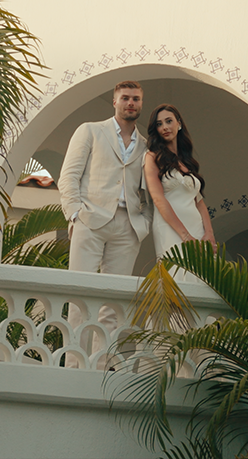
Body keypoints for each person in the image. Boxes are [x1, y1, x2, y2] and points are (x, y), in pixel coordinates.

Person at [57, 80, 150, 366]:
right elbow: (68, 177)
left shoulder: (146, 146)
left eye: (135, 99)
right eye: (125, 98)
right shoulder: (90, 131)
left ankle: (101, 368)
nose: (130, 103)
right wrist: (75, 215)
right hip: (90, 220)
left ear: (141, 103)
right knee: (80, 297)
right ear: (115, 101)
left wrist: (143, 223)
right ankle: (74, 366)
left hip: (127, 228)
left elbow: (148, 191)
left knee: (113, 304)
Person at [144, 104, 217, 273]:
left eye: (169, 121)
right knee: (178, 277)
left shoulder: (187, 161)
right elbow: (158, 199)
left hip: (197, 228)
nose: (165, 127)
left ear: (179, 124)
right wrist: (185, 236)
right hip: (170, 228)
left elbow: (199, 202)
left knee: (205, 277)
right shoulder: (152, 157)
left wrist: (209, 233)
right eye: (159, 124)